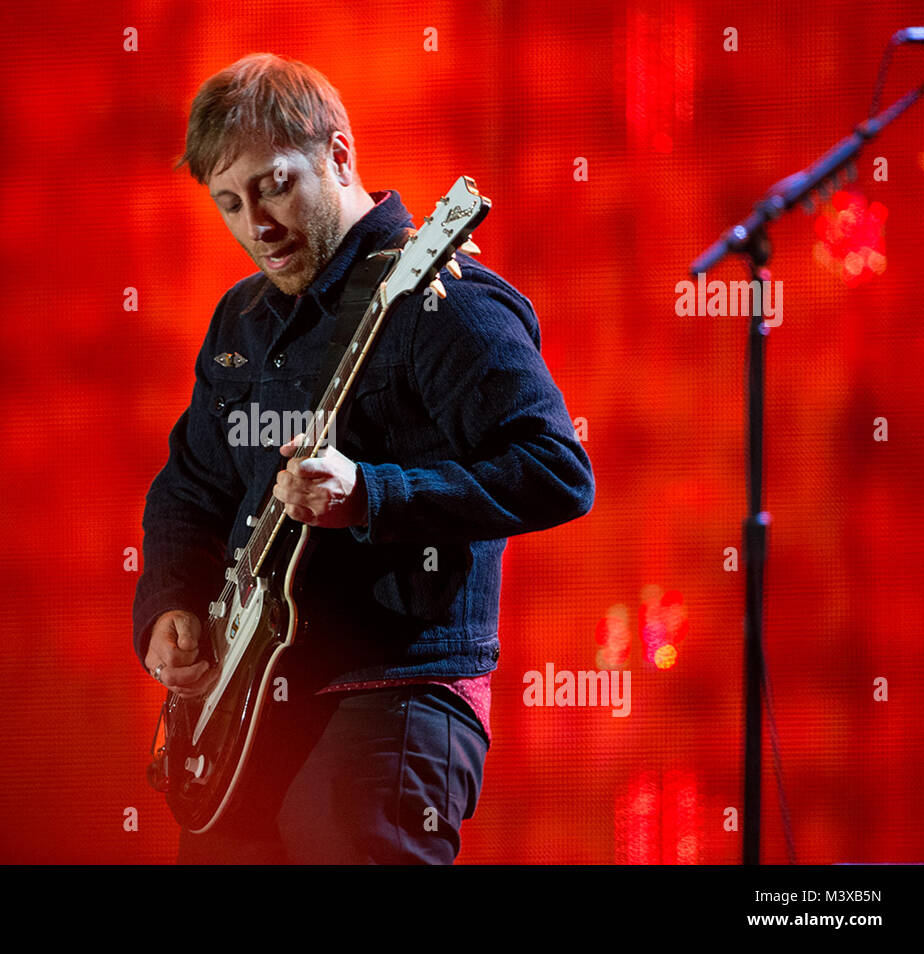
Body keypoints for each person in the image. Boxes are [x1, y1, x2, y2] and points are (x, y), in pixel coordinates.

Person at [132, 53, 594, 863]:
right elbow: (189, 489)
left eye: (275, 185)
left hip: (394, 690)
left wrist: (373, 494)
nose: (256, 226)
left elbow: (558, 469)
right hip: (250, 704)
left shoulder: (445, 299)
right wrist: (170, 602)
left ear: (339, 155)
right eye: (230, 203)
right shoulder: (239, 323)